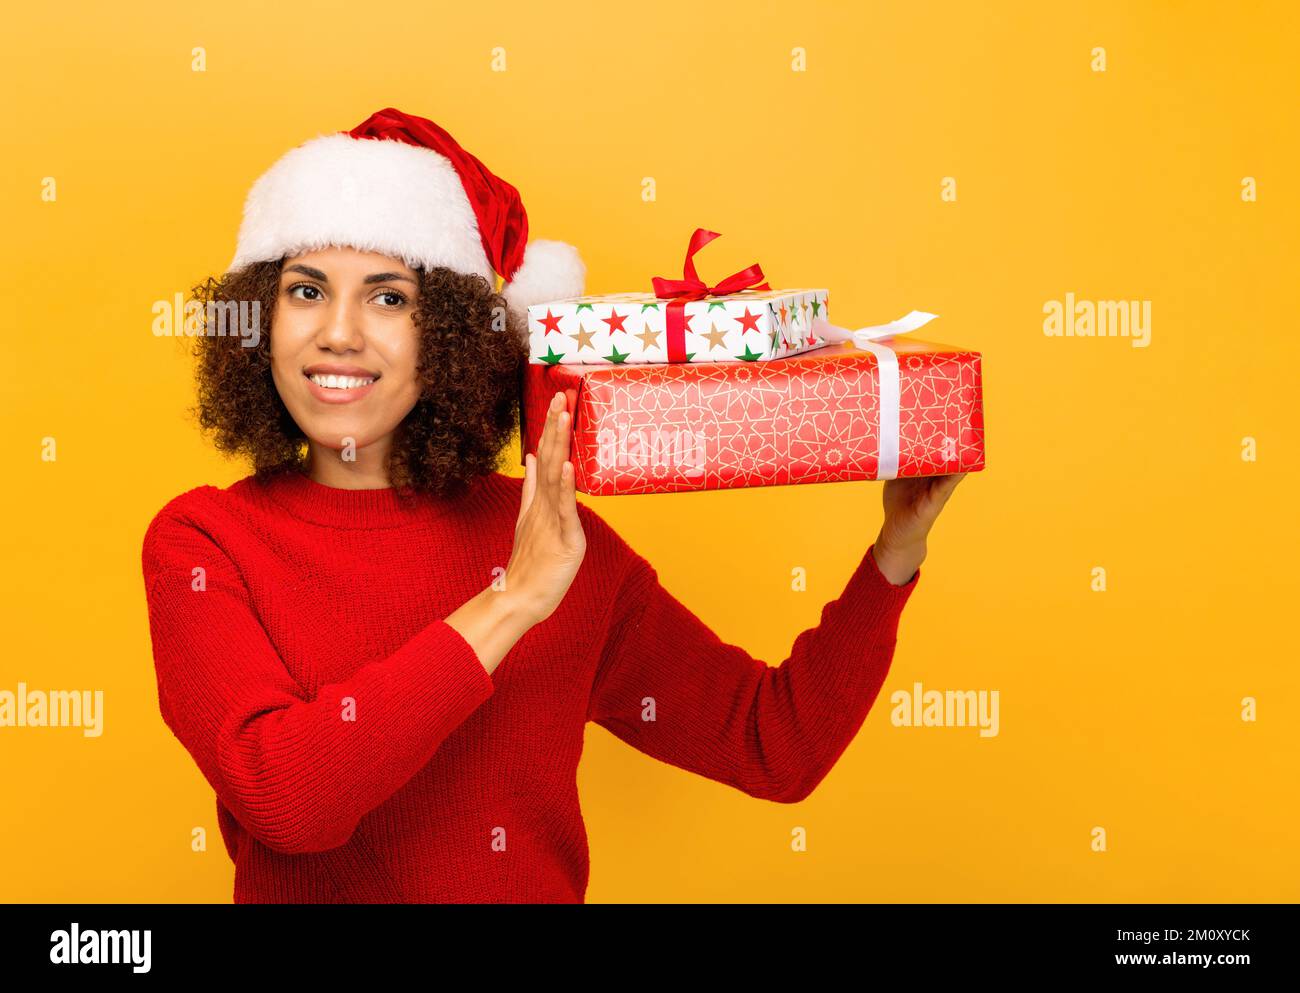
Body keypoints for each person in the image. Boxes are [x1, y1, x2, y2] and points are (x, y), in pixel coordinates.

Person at [140, 107, 964, 903]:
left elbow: (773, 745)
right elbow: (289, 802)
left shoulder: (555, 537)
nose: (340, 333)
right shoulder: (204, 542)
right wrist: (513, 601)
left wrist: (896, 550)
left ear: (454, 334)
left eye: (389, 297)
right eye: (306, 291)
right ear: (260, 318)